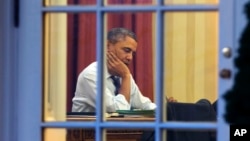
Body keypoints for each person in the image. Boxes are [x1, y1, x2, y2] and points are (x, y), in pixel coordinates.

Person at [72, 27, 157, 112]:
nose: (130, 58)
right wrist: (126, 76)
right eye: (127, 50)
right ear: (108, 46)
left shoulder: (123, 74)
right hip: (89, 125)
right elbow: (118, 111)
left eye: (133, 53)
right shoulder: (91, 74)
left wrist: (165, 110)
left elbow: (143, 105)